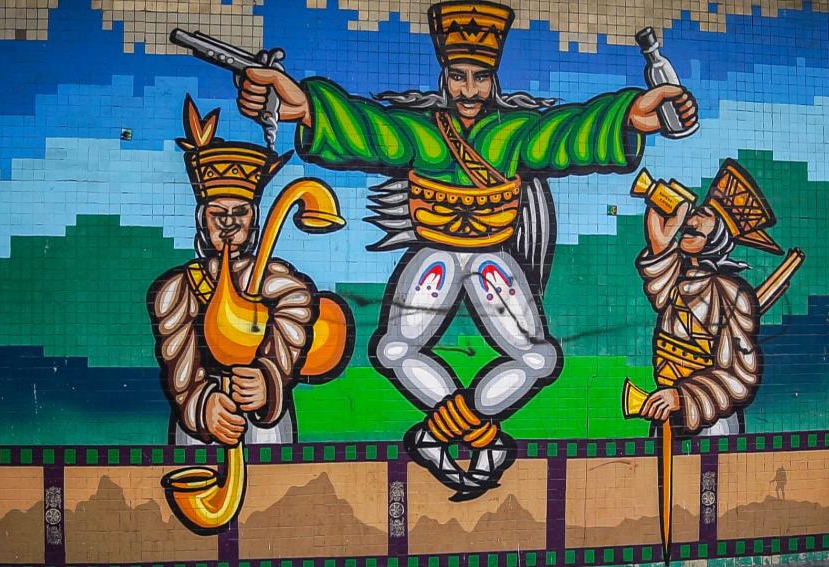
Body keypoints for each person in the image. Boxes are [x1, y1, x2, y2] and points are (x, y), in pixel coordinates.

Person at [236, 1, 697, 499]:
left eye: (480, 78)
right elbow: (370, 129)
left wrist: (628, 115)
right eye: (458, 77)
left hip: (492, 260)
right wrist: (304, 107)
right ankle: (485, 442)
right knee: (393, 349)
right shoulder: (421, 132)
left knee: (538, 359)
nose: (469, 91)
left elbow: (564, 133)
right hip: (433, 257)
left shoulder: (513, 134)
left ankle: (435, 436)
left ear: (493, 79)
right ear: (444, 77)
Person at [147, 96, 318, 447]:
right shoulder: (180, 287)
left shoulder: (272, 278)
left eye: (240, 214)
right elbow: (178, 355)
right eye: (218, 215)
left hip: (261, 411)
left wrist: (269, 377)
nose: (229, 224)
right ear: (203, 220)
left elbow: (295, 314)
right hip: (205, 418)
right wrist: (200, 404)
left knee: (274, 474)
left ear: (253, 220)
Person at [636, 159, 783, 435]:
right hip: (667, 412)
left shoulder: (731, 294)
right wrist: (659, 207)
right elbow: (659, 249)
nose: (691, 220)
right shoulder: (678, 282)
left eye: (702, 215)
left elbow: (739, 375)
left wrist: (682, 397)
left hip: (712, 423)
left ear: (719, 236)